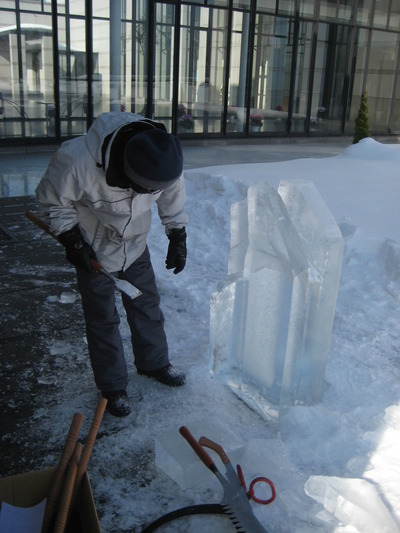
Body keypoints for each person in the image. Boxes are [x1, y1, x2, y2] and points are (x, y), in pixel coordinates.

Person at [36, 112, 189, 417]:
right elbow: (52, 202)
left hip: (135, 246)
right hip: (94, 249)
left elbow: (172, 197)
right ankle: (112, 386)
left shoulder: (164, 158)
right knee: (102, 317)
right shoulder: (77, 162)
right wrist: (72, 240)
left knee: (147, 304)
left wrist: (177, 234)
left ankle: (154, 363)